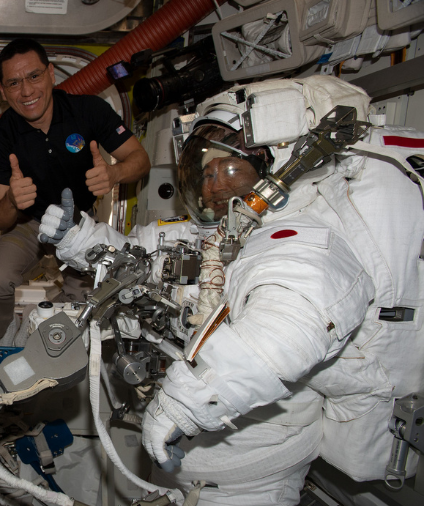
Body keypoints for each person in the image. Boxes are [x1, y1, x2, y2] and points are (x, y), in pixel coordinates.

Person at [39, 75, 424, 505]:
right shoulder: (212, 233)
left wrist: (184, 403)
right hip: (182, 459)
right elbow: (140, 256)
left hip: (249, 477)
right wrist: (76, 237)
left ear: (274, 167)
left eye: (230, 167)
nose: (214, 185)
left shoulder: (298, 241)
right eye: (205, 172)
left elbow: (283, 332)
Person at [0, 38, 151, 341]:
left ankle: (60, 340)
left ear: (51, 74)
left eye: (34, 76)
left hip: (80, 222)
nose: (27, 91)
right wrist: (10, 199)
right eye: (14, 83)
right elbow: (0, 219)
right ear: (3, 91)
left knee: (90, 297)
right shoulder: (0, 140)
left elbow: (140, 160)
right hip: (28, 222)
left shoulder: (88, 111)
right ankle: (1, 344)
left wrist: (115, 172)